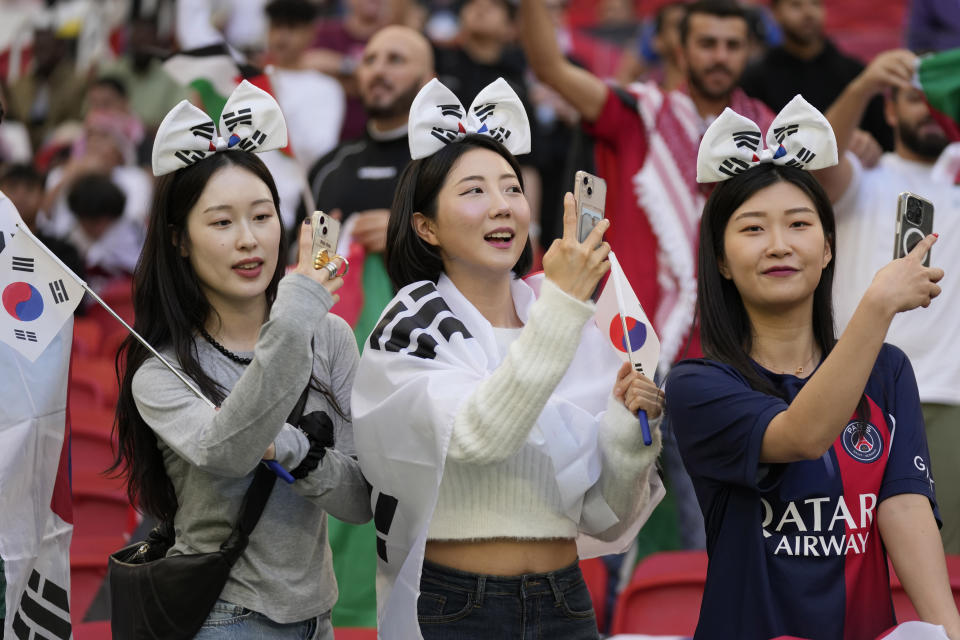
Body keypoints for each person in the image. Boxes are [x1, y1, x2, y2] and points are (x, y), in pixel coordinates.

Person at [352, 78, 664, 639]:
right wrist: (565, 306)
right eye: (473, 191)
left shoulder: (567, 318)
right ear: (425, 226)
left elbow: (604, 515)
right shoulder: (413, 321)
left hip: (565, 599)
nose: (502, 206)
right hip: (458, 605)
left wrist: (627, 434)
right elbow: (476, 437)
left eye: (512, 188)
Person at [665, 96, 960, 640]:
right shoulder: (697, 385)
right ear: (722, 260)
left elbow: (904, 508)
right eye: (752, 229)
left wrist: (948, 629)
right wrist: (878, 306)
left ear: (828, 248)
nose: (779, 245)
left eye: (798, 224)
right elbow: (802, 435)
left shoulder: (887, 371)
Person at [110, 81, 372, 638]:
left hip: (317, 616)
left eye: (262, 215)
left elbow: (360, 500)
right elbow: (229, 454)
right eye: (222, 222)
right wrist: (296, 312)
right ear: (180, 240)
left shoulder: (328, 336)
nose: (250, 240)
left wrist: (287, 446)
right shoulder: (161, 371)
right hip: (223, 617)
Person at [815, 49, 960, 556]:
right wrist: (865, 83)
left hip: (949, 399)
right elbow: (817, 158)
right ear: (890, 110)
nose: (928, 109)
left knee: (945, 568)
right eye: (913, 98)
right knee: (848, 557)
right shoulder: (864, 179)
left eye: (939, 98)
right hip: (856, 395)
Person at [308, 25, 435, 345]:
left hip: (436, 344)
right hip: (336, 347)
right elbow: (305, 260)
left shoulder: (452, 162)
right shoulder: (328, 166)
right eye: (369, 60)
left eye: (395, 60)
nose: (378, 70)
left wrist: (406, 237)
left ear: (429, 79)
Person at [739, 0, 892, 151]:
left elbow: (884, 141)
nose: (808, 13)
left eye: (815, 3)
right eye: (796, 5)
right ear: (775, 13)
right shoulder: (754, 78)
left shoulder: (856, 73)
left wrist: (871, 149)